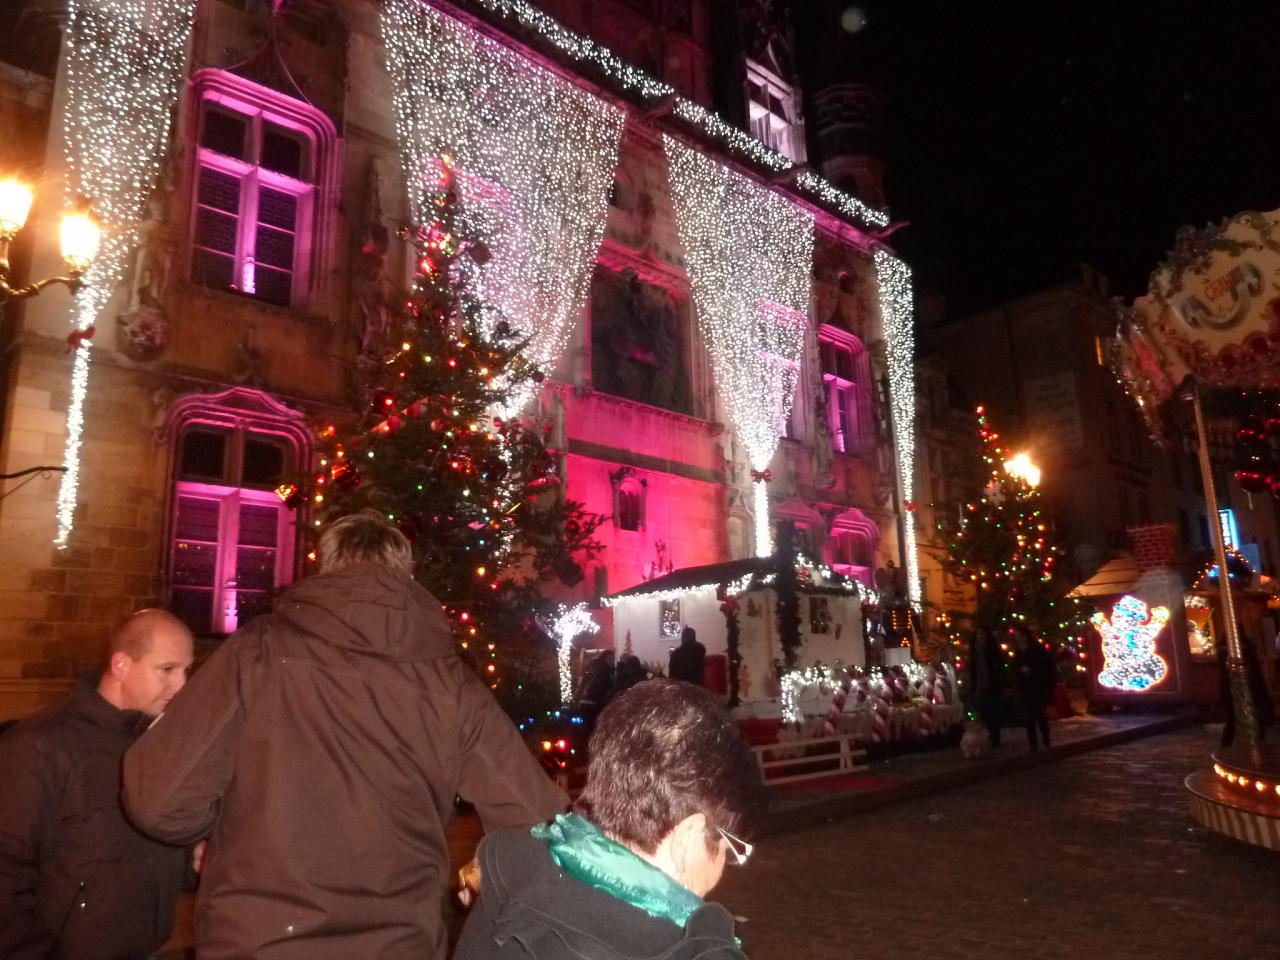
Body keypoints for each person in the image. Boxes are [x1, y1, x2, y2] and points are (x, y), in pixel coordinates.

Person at [122, 510, 568, 960]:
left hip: (258, 940)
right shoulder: (451, 683)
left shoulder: (257, 653)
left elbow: (158, 801)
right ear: (405, 574)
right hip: (398, 944)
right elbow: (540, 822)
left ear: (326, 568)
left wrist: (220, 831)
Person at [455, 680, 765, 960]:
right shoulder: (678, 950)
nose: (722, 868)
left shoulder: (507, 875)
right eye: (728, 849)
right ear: (688, 838)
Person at [0, 610, 194, 960]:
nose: (181, 685)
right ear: (121, 665)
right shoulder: (38, 746)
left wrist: (191, 861)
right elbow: (6, 869)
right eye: (167, 669)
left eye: (185, 670)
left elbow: (132, 851)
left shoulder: (159, 742)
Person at [1013, 625, 1058, 751]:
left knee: (1040, 715)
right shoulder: (1018, 651)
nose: (1017, 637)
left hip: (1037, 687)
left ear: (1024, 635)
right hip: (1025, 688)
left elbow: (1046, 666)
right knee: (1029, 717)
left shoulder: (1037, 649)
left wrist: (1033, 672)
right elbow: (1014, 667)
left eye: (1018, 634)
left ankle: (1045, 738)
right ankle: (1033, 742)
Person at [968, 626, 1004, 747]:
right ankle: (991, 732)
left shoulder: (992, 650)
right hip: (979, 685)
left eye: (982, 634)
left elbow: (999, 666)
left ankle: (994, 735)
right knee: (983, 711)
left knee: (992, 712)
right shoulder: (974, 651)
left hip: (991, 684)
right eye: (978, 634)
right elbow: (972, 668)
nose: (980, 637)